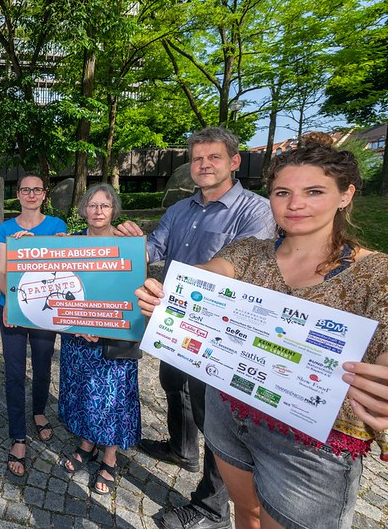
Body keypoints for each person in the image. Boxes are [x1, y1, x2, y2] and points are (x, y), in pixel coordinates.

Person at [136, 137, 388, 529]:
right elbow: (208, 271)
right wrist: (171, 292)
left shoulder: (376, 275)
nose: (296, 203)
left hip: (308, 447)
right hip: (231, 408)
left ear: (346, 195)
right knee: (246, 514)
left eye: (314, 191)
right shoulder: (250, 252)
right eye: (283, 192)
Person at [117, 127, 274, 529]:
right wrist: (128, 245)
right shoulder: (181, 210)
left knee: (217, 421)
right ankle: (181, 449)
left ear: (234, 162)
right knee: (174, 386)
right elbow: (155, 249)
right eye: (197, 158)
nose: (203, 165)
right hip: (174, 327)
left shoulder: (255, 211)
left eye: (213, 158)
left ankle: (212, 509)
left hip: (223, 333)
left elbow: (243, 270)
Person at [59, 183, 141, 495]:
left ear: (114, 210)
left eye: (104, 206)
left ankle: (109, 459)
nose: (98, 211)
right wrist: (75, 322)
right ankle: (86, 443)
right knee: (82, 392)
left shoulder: (128, 243)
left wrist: (105, 323)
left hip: (114, 337)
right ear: (83, 209)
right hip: (78, 336)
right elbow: (59, 286)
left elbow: (135, 290)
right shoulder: (71, 242)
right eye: (92, 205)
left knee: (112, 398)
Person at [0, 173, 67, 476]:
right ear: (18, 194)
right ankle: (18, 436)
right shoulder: (6, 228)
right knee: (13, 372)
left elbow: (61, 271)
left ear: (44, 194)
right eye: (26, 189)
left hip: (44, 310)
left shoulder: (57, 227)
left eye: (37, 189)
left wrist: (60, 247)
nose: (31, 194)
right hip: (11, 307)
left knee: (41, 365)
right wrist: (9, 299)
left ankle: (38, 412)